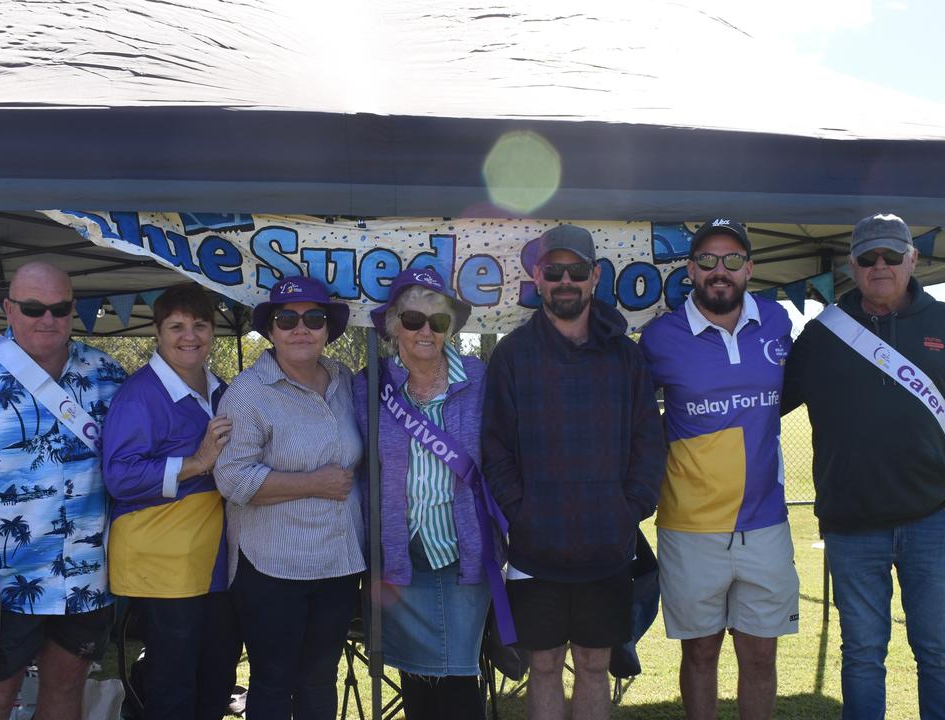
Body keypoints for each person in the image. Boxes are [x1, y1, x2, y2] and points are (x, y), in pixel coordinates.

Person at [782, 213, 945, 720]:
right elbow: (762, 401)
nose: (879, 266)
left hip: (935, 521)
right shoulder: (822, 336)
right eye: (868, 258)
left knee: (938, 655)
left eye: (891, 256)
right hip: (851, 528)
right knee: (862, 656)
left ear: (913, 259)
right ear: (852, 266)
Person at [0, 261, 127, 719]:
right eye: (33, 308)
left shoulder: (107, 375)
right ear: (8, 309)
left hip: (85, 577)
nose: (47, 319)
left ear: (74, 310)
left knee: (67, 687)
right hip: (1, 581)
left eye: (60, 308)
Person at [482, 225, 664, 720]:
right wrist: (522, 513)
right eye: (554, 271)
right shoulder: (512, 355)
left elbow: (649, 441)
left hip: (607, 547)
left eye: (576, 271)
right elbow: (494, 448)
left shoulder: (625, 355)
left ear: (595, 277)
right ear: (537, 278)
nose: (566, 280)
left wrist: (628, 510)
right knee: (542, 667)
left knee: (592, 664)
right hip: (534, 549)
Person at [639, 219, 799, 720]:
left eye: (732, 260)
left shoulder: (776, 322)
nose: (720, 270)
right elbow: (635, 421)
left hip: (766, 523)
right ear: (691, 270)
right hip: (690, 527)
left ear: (750, 268)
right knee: (701, 653)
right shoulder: (659, 337)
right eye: (707, 260)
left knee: (760, 656)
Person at [214, 275, 364, 720]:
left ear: (328, 328)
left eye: (314, 318)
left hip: (338, 562)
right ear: (271, 329)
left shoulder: (345, 381)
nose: (301, 328)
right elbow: (233, 479)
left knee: (321, 679)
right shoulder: (247, 394)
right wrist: (314, 483)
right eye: (287, 319)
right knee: (274, 681)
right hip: (272, 567)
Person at [352, 268, 496, 720]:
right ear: (394, 325)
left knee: (457, 677)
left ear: (451, 329)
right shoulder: (369, 386)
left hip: (463, 552)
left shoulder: (480, 381)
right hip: (400, 554)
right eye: (413, 319)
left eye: (438, 322)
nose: (425, 331)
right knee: (416, 678)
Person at [101, 283, 239, 720]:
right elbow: (119, 476)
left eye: (199, 325)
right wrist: (197, 462)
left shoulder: (225, 391)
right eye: (176, 326)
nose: (189, 335)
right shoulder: (139, 394)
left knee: (216, 678)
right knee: (173, 685)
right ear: (157, 332)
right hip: (164, 562)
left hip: (217, 561)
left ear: (213, 331)